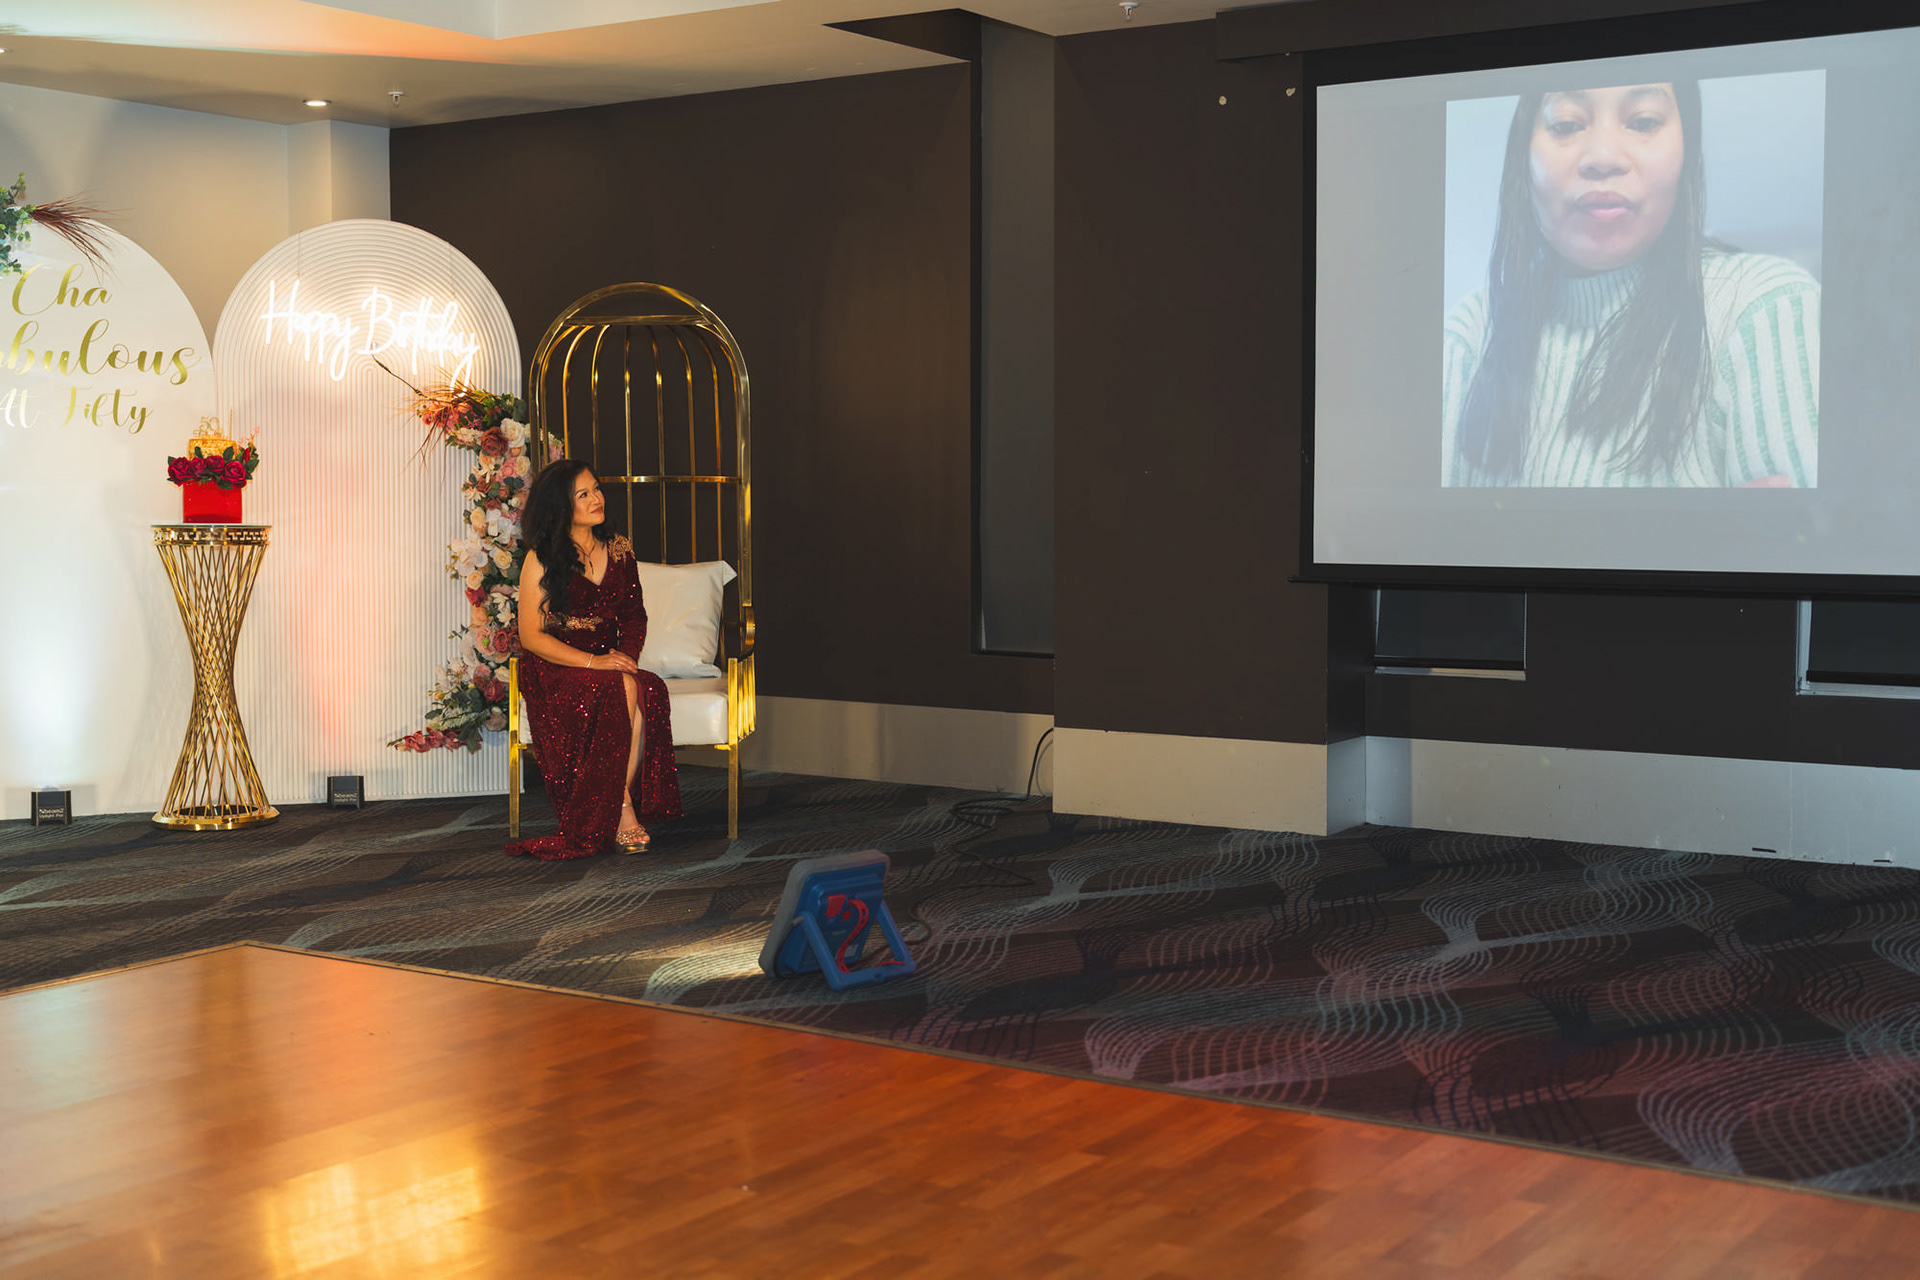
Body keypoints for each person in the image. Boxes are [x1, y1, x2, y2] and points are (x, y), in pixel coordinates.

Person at [1442, 80, 1820, 488]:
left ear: (1686, 149)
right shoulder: (1469, 334)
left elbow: (1811, 526)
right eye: (1567, 125)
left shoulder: (1765, 308)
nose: (1603, 158)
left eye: (1643, 121)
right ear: (1523, 157)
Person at [506, 460, 681, 860]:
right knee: (622, 687)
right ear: (561, 505)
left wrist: (625, 658)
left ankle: (611, 806)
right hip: (555, 667)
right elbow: (531, 637)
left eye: (596, 489)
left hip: (607, 663)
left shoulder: (619, 549)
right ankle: (623, 812)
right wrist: (592, 663)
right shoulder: (541, 557)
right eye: (582, 494)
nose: (596, 498)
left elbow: (634, 617)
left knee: (647, 687)